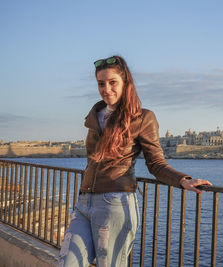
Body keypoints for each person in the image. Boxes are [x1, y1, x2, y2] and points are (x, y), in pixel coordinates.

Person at [57, 55, 212, 267]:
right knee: (66, 263)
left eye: (113, 82)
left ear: (125, 84)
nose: (106, 89)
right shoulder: (96, 115)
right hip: (85, 203)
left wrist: (182, 180)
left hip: (114, 204)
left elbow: (156, 163)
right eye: (101, 83)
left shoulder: (142, 118)